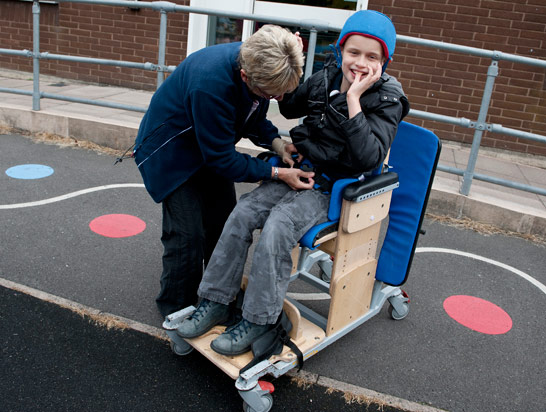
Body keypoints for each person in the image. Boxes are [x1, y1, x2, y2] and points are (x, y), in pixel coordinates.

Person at [176, 10, 410, 356]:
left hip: (332, 187)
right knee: (241, 212)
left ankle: (258, 319)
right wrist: (287, 62)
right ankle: (216, 301)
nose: (360, 63)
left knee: (277, 228)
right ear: (341, 50)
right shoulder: (324, 76)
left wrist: (353, 100)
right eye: (354, 52)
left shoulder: (388, 98)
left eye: (372, 57)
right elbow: (287, 106)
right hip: (297, 169)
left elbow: (368, 159)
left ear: (384, 61)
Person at [133, 25, 314, 319]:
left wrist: (278, 144)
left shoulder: (259, 58)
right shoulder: (210, 83)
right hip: (172, 153)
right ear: (245, 76)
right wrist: (278, 172)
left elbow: (253, 112)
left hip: (208, 145)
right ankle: (177, 309)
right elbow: (223, 161)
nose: (279, 97)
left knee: (224, 223)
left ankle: (217, 297)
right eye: (273, 93)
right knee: (186, 236)